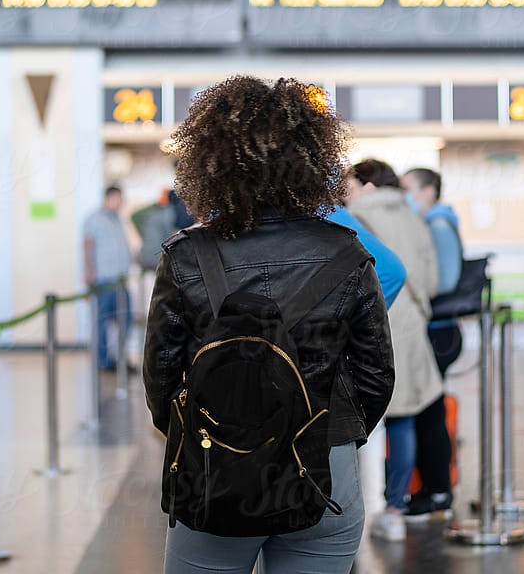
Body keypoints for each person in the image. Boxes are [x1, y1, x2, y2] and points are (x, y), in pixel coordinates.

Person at [143, 76, 395, 574]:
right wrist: (334, 435)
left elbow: (161, 379)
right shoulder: (345, 251)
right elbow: (375, 376)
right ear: (312, 158)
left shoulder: (187, 254)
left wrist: (215, 433)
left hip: (215, 468)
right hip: (325, 464)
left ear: (210, 160)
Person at [344, 159, 449, 541]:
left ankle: (344, 512)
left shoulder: (351, 215)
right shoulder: (414, 215)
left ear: (364, 185)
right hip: (412, 323)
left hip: (372, 320)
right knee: (404, 418)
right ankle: (394, 510)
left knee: (348, 420)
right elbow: (433, 279)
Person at [401, 166, 464, 521]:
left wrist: (417, 289)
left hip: (439, 332)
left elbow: (445, 279)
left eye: (408, 189)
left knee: (429, 412)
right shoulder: (434, 222)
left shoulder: (438, 224)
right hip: (437, 331)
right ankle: (433, 488)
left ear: (427, 191)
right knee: (429, 411)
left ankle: (437, 490)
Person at [83, 185, 133, 370]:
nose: (120, 202)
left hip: (120, 280)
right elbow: (87, 246)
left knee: (125, 320)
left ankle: (119, 358)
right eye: (118, 198)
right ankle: (103, 361)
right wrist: (89, 273)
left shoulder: (118, 219)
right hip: (104, 280)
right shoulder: (95, 219)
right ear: (109, 197)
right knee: (101, 322)